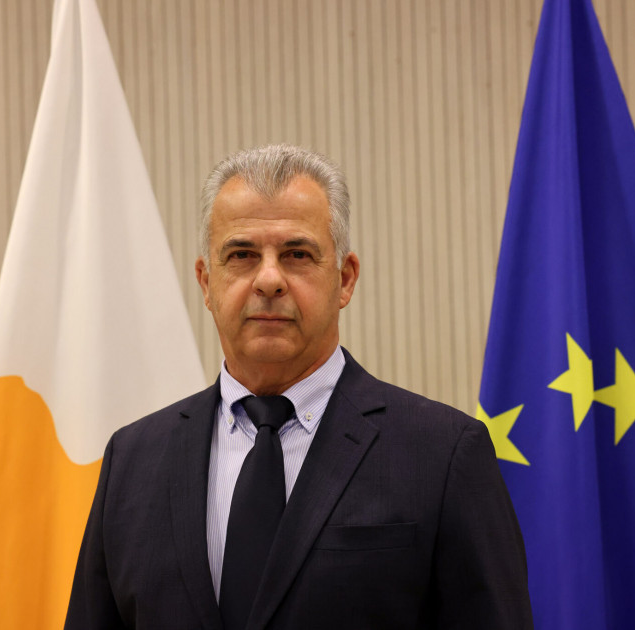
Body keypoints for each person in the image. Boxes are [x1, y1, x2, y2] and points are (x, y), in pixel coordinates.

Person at [65, 144, 533, 629]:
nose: (269, 279)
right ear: (206, 282)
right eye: (242, 255)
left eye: (297, 254)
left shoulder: (443, 454)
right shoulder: (132, 461)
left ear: (345, 279)